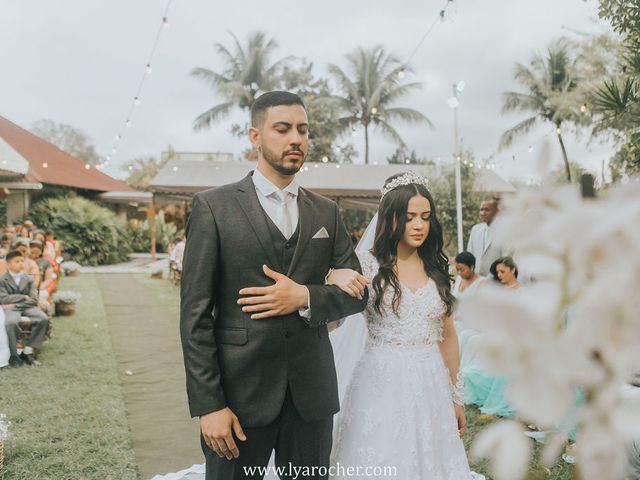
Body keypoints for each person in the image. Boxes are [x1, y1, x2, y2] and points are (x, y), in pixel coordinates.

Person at [180, 91, 368, 480]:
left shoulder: (326, 212)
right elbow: (195, 316)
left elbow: (358, 294)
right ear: (255, 136)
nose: (295, 138)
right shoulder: (213, 207)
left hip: (310, 398)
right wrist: (209, 405)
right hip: (238, 398)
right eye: (282, 129)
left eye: (302, 129)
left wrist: (306, 296)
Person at [326, 172, 479, 479]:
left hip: (430, 382)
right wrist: (331, 281)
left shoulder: (437, 265)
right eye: (409, 217)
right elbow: (333, 322)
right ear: (391, 217)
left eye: (425, 216)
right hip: (380, 382)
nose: (419, 225)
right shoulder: (367, 265)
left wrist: (455, 398)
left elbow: (447, 336)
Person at [0, 250, 49, 367]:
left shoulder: (29, 279)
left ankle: (28, 350)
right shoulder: (2, 280)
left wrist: (16, 304)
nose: (21, 263)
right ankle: (14, 356)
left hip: (24, 307)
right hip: (11, 310)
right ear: (8, 264)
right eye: (17, 261)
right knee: (10, 322)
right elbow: (3, 299)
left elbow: (33, 299)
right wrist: (23, 297)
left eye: (22, 261)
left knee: (43, 318)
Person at [452, 252, 484, 369]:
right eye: (458, 270)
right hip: (454, 318)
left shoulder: (481, 283)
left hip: (471, 322)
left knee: (460, 332)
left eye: (462, 270)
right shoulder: (458, 280)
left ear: (472, 267)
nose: (460, 273)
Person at [466, 197, 511, 277]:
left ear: (496, 212)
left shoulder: (506, 232)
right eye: (481, 209)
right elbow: (469, 256)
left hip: (496, 282)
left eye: (487, 210)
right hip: (476, 282)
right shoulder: (475, 229)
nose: (482, 213)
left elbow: (506, 260)